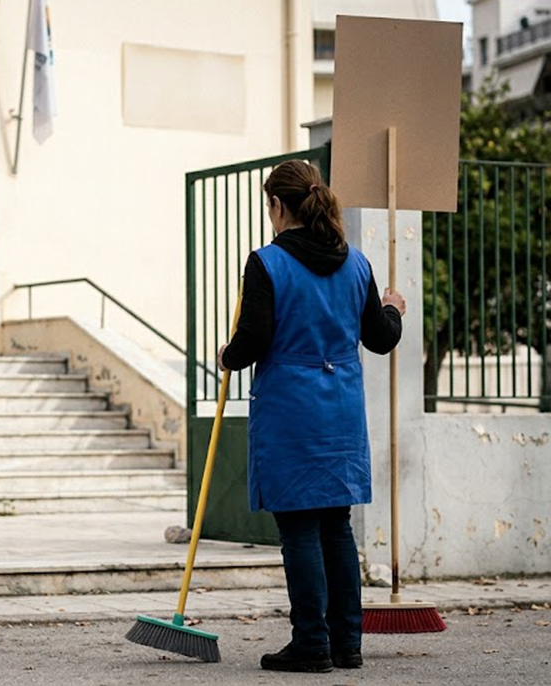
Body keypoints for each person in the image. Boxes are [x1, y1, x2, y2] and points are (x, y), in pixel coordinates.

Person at [218, 159, 406, 673]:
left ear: (278, 206)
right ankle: (348, 644)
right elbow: (380, 338)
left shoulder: (267, 263)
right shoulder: (358, 265)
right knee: (336, 526)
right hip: (341, 408)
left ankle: (311, 643)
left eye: (269, 206)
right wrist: (393, 308)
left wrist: (227, 356)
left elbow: (254, 339)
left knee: (299, 528)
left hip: (291, 407)